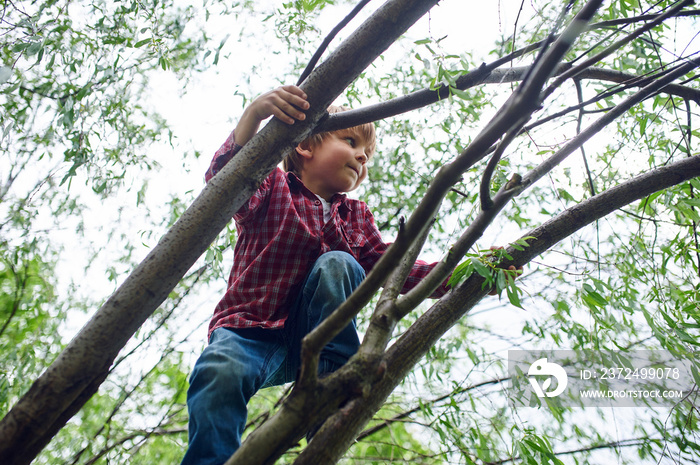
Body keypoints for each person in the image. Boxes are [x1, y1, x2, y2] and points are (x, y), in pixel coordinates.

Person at [181, 85, 450, 465]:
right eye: (351, 140)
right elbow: (225, 181)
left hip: (320, 339)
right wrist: (255, 114)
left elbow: (395, 267)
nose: (362, 156)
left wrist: (457, 273)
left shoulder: (355, 217)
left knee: (338, 264)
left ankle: (330, 394)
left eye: (367, 155)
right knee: (218, 372)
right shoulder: (271, 187)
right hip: (250, 331)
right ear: (305, 146)